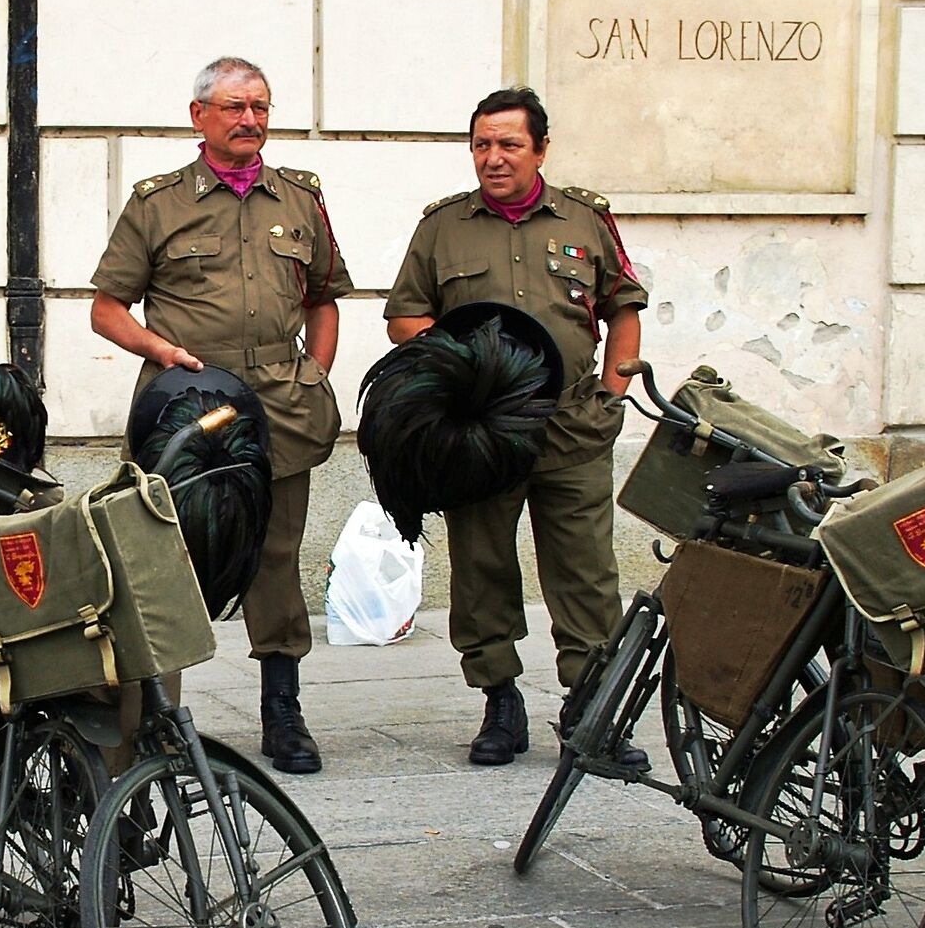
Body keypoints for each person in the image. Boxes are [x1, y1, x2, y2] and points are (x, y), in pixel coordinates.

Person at [89, 56, 352, 774]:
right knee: (164, 561)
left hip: (280, 405)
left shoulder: (299, 198)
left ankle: (282, 709)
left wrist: (316, 373)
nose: (250, 120)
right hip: (189, 405)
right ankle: (153, 714)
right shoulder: (158, 203)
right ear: (199, 115)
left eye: (261, 107)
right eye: (235, 107)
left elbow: (325, 295)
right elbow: (107, 308)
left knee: (275, 555)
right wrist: (158, 350)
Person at [382, 87, 648, 767]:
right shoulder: (443, 227)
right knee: (482, 564)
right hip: (481, 432)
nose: (493, 158)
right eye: (482, 145)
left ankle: (590, 709)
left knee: (586, 572)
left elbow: (623, 308)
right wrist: (457, 365)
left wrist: (614, 395)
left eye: (509, 145)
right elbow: (404, 318)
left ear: (540, 149)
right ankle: (499, 701)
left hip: (571, 426)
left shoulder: (587, 220)